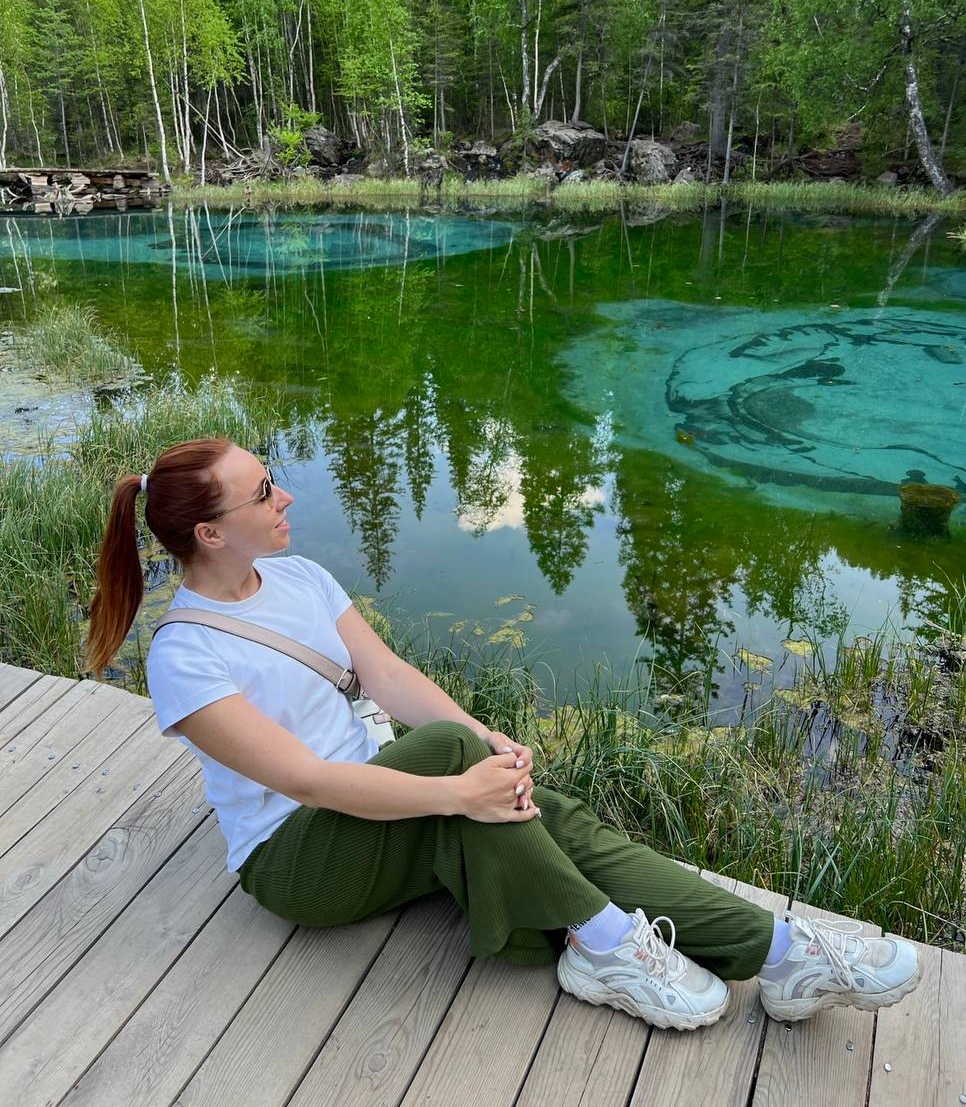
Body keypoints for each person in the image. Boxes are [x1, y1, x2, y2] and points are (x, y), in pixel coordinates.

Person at [87, 437, 921, 1032]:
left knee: (540, 807)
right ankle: (604, 947)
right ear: (209, 533)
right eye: (265, 489)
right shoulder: (185, 655)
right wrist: (457, 782)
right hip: (302, 860)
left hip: (382, 793)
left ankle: (776, 951)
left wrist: (485, 740)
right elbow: (306, 783)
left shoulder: (299, 576)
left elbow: (387, 677)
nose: (287, 496)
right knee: (470, 781)